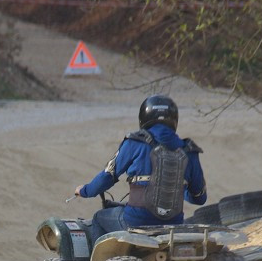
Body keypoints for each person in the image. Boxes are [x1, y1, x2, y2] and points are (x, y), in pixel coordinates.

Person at [74, 94, 208, 244]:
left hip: (136, 221)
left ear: (144, 118)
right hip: (173, 224)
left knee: (99, 218)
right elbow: (200, 198)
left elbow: (107, 177)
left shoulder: (135, 142)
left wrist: (84, 190)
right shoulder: (189, 151)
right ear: (174, 120)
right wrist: (174, 186)